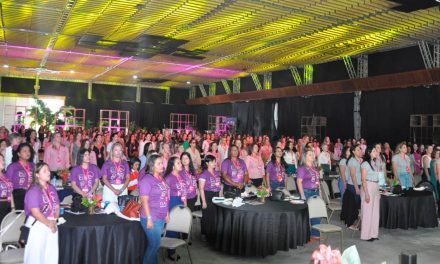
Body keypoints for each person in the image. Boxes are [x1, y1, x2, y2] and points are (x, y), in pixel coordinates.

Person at [24, 162, 60, 264]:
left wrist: (54, 220)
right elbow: (35, 212)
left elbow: (57, 206)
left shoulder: (51, 188)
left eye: (48, 170)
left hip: (52, 223)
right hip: (38, 225)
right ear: (37, 174)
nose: (48, 172)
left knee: (51, 255)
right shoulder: (33, 190)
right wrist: (49, 223)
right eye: (44, 171)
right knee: (36, 256)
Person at [139, 154, 170, 264]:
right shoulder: (146, 180)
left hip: (161, 216)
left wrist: (166, 213)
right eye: (159, 163)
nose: (162, 165)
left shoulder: (161, 178)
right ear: (152, 166)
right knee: (155, 245)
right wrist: (149, 218)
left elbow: (165, 197)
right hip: (152, 217)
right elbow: (144, 201)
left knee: (155, 246)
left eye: (162, 163)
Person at [296, 149, 321, 240]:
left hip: (315, 192)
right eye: (310, 154)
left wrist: (319, 191)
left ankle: (315, 234)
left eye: (313, 154)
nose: (313, 156)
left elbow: (317, 180)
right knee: (306, 214)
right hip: (307, 192)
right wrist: (302, 196)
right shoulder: (302, 168)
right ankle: (305, 235)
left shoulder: (314, 168)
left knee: (316, 213)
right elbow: (299, 181)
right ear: (305, 157)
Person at [6, 142, 35, 210]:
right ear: (19, 154)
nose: (28, 153)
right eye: (24, 151)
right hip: (18, 195)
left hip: (31, 194)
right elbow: (8, 184)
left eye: (29, 151)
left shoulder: (33, 165)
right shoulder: (13, 166)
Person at [360, 146, 381, 242]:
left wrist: (379, 190)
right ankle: (366, 235)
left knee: (375, 212)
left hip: (375, 187)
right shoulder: (365, 164)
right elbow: (363, 179)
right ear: (369, 153)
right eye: (374, 151)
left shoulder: (375, 163)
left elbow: (379, 178)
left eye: (376, 151)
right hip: (368, 186)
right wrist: (366, 193)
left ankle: (373, 233)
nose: (376, 152)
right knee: (367, 212)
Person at [198, 155, 221, 237]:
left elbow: (219, 186)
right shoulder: (204, 174)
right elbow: (201, 188)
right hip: (207, 195)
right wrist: (203, 201)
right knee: (207, 216)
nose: (215, 163)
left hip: (216, 195)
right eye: (212, 162)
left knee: (215, 215)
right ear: (207, 163)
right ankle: (205, 234)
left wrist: (221, 198)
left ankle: (213, 232)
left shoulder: (217, 173)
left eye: (215, 161)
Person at [344, 144, 363, 229]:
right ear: (353, 151)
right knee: (353, 205)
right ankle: (350, 224)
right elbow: (352, 175)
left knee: (356, 205)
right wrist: (356, 188)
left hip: (360, 184)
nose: (360, 151)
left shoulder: (361, 160)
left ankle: (353, 222)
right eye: (358, 150)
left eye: (360, 149)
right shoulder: (352, 161)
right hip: (353, 185)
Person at [0, 154, 14, 222]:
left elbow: (10, 192)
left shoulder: (5, 176)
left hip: (7, 206)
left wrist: (13, 207)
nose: (2, 162)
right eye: (0, 160)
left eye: (3, 160)